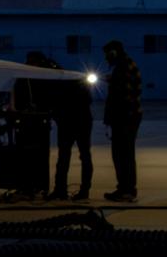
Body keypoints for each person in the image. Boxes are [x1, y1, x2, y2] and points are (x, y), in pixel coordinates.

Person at [102, 40, 142, 202]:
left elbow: (122, 96)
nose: (106, 58)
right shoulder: (127, 65)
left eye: (107, 54)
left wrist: (112, 117)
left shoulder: (122, 67)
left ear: (113, 52)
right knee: (125, 154)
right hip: (129, 116)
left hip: (124, 117)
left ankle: (126, 189)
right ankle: (126, 188)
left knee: (122, 155)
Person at [48, 66, 94, 202]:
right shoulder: (79, 84)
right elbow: (88, 100)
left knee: (64, 157)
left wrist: (57, 116)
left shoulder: (60, 85)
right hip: (82, 122)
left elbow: (55, 105)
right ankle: (84, 190)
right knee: (84, 156)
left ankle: (60, 190)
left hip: (67, 123)